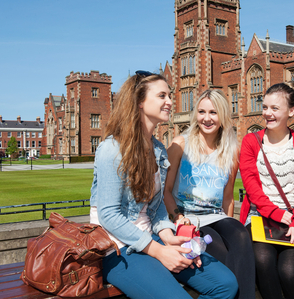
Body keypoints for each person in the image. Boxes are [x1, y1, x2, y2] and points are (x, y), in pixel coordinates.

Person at [89, 72, 238, 299]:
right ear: (139, 101)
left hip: (153, 239)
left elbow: (155, 206)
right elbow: (108, 215)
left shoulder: (157, 148)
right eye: (162, 96)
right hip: (119, 249)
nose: (170, 101)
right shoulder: (112, 148)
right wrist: (158, 251)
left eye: (169, 95)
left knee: (226, 284)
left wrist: (168, 236)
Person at [164, 89, 256, 299]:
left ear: (222, 116)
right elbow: (165, 191)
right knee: (221, 252)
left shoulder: (231, 150)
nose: (207, 118)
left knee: (240, 235)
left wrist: (230, 229)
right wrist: (178, 218)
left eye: (213, 113)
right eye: (202, 112)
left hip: (217, 215)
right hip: (190, 219)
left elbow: (228, 197)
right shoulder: (180, 145)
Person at [239, 82, 294, 299]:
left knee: (289, 272)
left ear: (291, 111)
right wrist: (275, 213)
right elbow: (251, 186)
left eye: (275, 108)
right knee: (262, 263)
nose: (267, 113)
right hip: (260, 216)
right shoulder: (250, 142)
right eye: (265, 107)